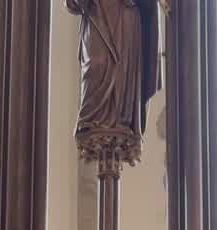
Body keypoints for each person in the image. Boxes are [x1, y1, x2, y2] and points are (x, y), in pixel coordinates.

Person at [64, 0, 162, 140]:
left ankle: (122, 119)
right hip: (96, 13)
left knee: (121, 72)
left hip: (125, 15)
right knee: (96, 65)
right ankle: (91, 120)